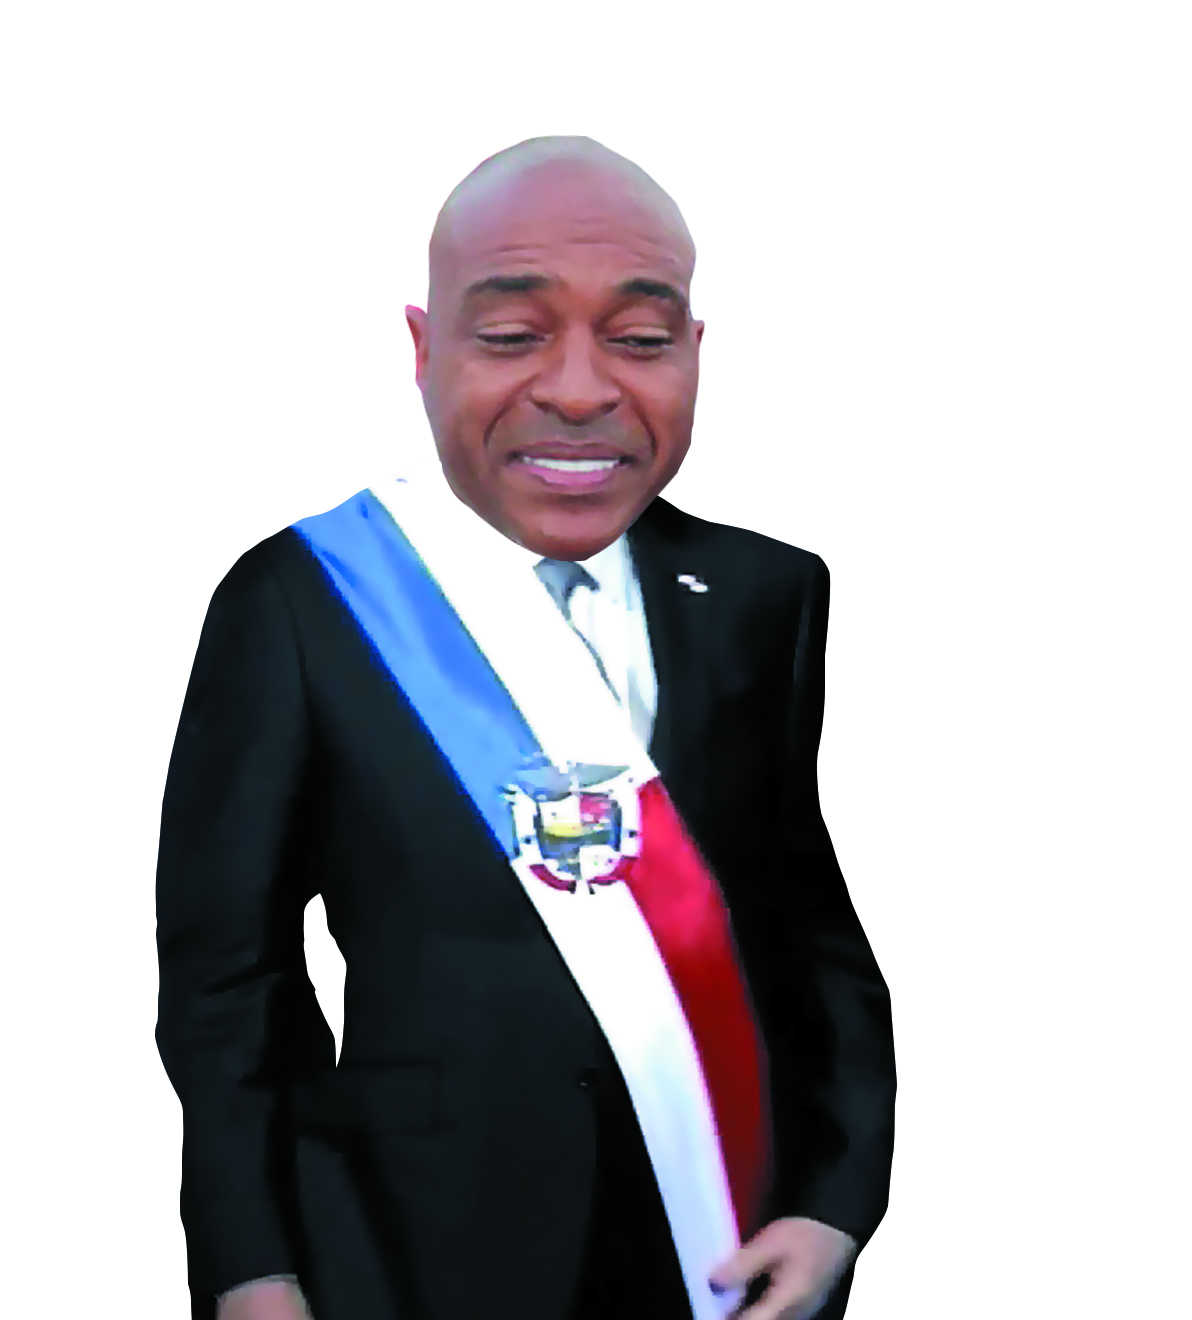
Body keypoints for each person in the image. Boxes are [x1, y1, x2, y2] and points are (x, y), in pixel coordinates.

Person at [155, 136, 895, 1320]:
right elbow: (225, 983)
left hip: (716, 1240)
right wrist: (255, 1268)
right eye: (509, 335)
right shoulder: (301, 601)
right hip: (405, 1252)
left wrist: (834, 1202)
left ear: (694, 351)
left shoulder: (764, 594)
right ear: (422, 349)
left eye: (639, 339)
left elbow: (803, 926)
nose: (580, 390)